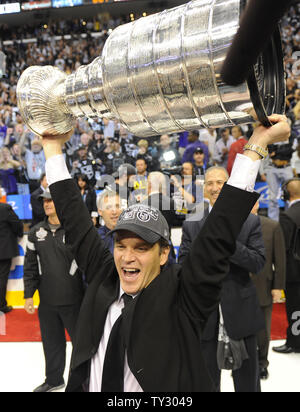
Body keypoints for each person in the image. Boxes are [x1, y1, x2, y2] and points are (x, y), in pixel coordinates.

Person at [40, 113, 290, 392]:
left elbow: (218, 234)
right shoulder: (104, 275)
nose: (127, 256)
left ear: (163, 254)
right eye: (121, 245)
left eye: (142, 248)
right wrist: (52, 147)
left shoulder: (183, 295)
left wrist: (257, 144)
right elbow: (74, 218)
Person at [178, 166, 265, 392]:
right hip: (204, 316)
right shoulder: (192, 224)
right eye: (210, 183)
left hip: (241, 314)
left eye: (220, 182)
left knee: (248, 383)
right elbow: (183, 267)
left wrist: (228, 243)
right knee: (205, 384)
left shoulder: (250, 221)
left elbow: (257, 262)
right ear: (203, 188)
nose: (215, 187)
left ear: (229, 186)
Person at [23, 189, 85, 392]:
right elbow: (30, 266)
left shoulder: (74, 230)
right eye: (44, 201)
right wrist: (28, 295)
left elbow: (85, 264)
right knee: (51, 343)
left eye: (51, 200)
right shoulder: (35, 233)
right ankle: (54, 379)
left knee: (81, 345)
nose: (47, 204)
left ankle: (84, 381)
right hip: (47, 301)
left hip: (75, 299)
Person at [250, 201, 286, 379]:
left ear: (257, 203)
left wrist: (278, 286)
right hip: (237, 287)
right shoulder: (231, 225)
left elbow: (280, 259)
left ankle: (262, 364)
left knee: (263, 330)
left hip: (263, 285)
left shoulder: (272, 227)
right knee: (241, 329)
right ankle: (244, 364)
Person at [273, 178, 300, 354]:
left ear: (286, 194)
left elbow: (283, 249)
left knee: (295, 308)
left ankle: (294, 342)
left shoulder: (287, 216)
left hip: (294, 273)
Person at [0, 194, 23, 314]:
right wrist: (19, 234)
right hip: (3, 250)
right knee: (2, 278)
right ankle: (1, 306)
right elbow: (17, 224)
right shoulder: (5, 208)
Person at [97, 190, 123, 255]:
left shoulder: (131, 234)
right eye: (108, 207)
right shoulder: (96, 239)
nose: (114, 212)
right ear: (100, 211)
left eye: (117, 206)